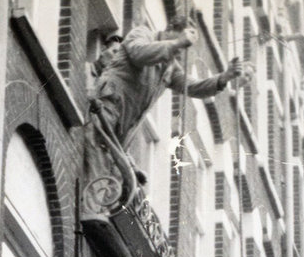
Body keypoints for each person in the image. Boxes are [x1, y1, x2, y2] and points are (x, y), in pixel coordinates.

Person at [91, 11, 248, 155]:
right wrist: (177, 43)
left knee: (103, 174)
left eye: (186, 45)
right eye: (182, 38)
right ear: (170, 29)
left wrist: (225, 77)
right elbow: (139, 54)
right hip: (108, 105)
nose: (182, 48)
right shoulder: (143, 33)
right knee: (92, 153)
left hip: (123, 128)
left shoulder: (169, 68)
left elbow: (193, 87)